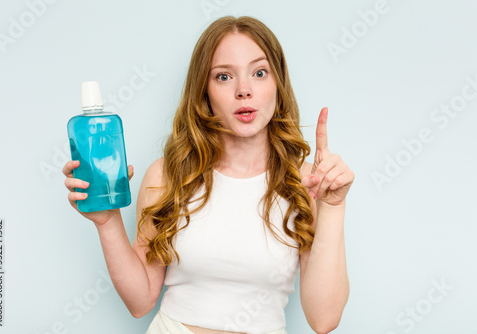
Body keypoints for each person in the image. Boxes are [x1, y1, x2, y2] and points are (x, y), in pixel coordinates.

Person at [63, 15, 354, 334]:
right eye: (224, 77)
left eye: (259, 72)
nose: (244, 90)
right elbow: (140, 300)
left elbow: (324, 319)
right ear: (205, 92)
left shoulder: (310, 183)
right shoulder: (167, 175)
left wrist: (333, 207)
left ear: (278, 84)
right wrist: (108, 222)